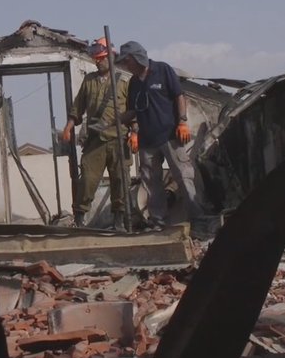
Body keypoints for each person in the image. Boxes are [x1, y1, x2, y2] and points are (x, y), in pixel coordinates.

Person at [116, 41, 203, 226]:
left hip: (169, 136)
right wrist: (118, 121)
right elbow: (133, 111)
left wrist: (182, 122)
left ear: (136, 58)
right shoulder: (134, 82)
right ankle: (158, 221)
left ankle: (198, 218)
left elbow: (179, 96)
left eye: (127, 61)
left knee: (183, 176)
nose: (125, 66)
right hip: (147, 141)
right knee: (151, 182)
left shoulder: (163, 70)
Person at [62, 38, 130, 228]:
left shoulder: (124, 82)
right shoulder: (89, 81)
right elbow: (77, 108)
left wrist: (135, 133)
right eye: (96, 59)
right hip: (95, 139)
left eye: (101, 58)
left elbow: (133, 110)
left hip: (118, 139)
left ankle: (119, 221)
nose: (97, 62)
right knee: (87, 180)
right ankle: (79, 218)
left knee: (120, 180)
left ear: (111, 57)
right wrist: (68, 127)